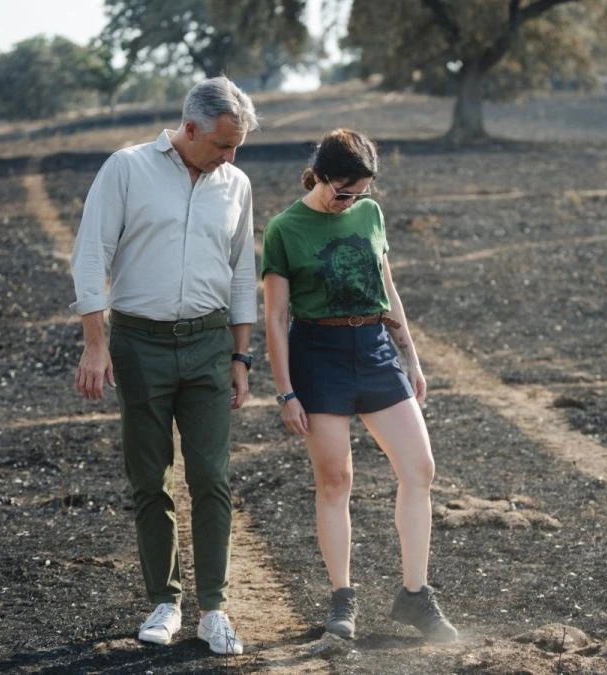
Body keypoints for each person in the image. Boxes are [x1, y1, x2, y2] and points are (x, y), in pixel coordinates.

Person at [69, 76, 258, 656]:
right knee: (151, 478)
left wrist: (241, 354)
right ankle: (165, 602)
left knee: (211, 478)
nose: (230, 157)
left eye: (237, 147)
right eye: (223, 145)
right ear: (191, 127)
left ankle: (214, 609)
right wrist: (95, 343)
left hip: (207, 344)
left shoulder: (236, 184)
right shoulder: (126, 169)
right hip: (138, 344)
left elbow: (241, 272)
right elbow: (91, 254)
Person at [262, 128, 459, 643]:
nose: (351, 201)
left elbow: (387, 288)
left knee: (420, 468)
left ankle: (416, 597)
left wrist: (410, 357)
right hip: (318, 358)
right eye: (343, 191)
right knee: (336, 482)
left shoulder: (370, 214)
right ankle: (342, 600)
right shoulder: (285, 227)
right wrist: (285, 391)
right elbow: (276, 316)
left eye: (361, 192)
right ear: (321, 176)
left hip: (374, 349)